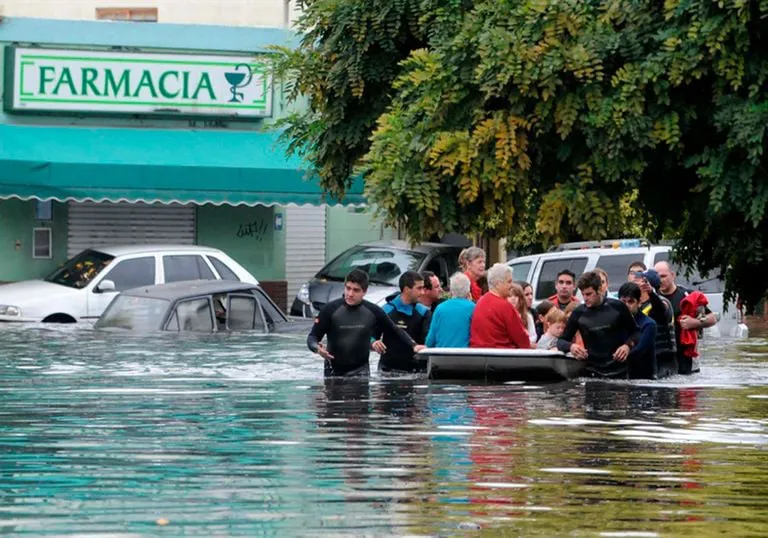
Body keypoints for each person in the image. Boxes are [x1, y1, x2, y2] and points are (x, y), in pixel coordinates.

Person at [307, 269, 425, 377]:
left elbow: (395, 330)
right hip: (333, 373)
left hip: (361, 373)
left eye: (356, 290)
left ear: (364, 291)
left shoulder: (373, 311)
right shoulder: (330, 310)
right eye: (348, 288)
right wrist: (317, 348)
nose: (350, 294)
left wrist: (413, 345)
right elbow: (312, 337)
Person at [556, 271, 639, 378]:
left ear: (599, 290)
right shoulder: (579, 313)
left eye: (589, 294)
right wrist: (571, 346)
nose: (585, 298)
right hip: (592, 372)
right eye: (583, 294)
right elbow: (561, 341)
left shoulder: (617, 307)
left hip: (618, 372)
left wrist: (627, 346)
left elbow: (636, 333)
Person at [654, 261, 717, 374]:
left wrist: (695, 323)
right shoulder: (653, 298)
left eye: (664, 276)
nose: (660, 280)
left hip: (687, 357)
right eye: (657, 277)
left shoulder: (688, 296)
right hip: (663, 358)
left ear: (673, 275)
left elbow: (712, 318)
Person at [378, 271, 432, 373]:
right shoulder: (386, 310)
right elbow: (372, 335)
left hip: (415, 370)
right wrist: (374, 342)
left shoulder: (424, 312)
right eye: (419, 288)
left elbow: (428, 340)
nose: (423, 293)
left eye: (423, 288)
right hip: (388, 369)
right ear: (407, 289)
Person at [630, 268, 678, 378]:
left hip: (664, 361)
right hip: (647, 358)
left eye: (639, 279)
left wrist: (651, 293)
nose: (634, 281)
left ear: (647, 285)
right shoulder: (636, 305)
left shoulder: (663, 302)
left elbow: (660, 309)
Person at [470, 263, 531, 349]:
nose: (512, 285)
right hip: (502, 357)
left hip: (479, 355)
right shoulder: (505, 306)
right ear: (498, 284)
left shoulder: (480, 302)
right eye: (509, 281)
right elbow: (521, 338)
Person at [618, 282, 657, 379]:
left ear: (639, 303)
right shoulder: (615, 321)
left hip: (644, 378)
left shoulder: (649, 324)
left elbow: (640, 350)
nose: (626, 305)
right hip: (622, 374)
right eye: (623, 302)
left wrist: (616, 358)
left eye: (631, 302)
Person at [426, 272, 476, 348]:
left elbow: (430, 341)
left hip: (441, 356)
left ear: (451, 290)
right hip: (465, 356)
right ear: (468, 290)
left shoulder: (440, 308)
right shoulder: (473, 308)